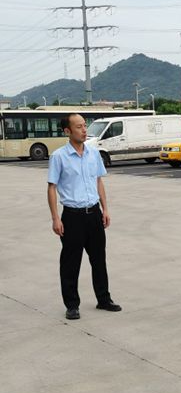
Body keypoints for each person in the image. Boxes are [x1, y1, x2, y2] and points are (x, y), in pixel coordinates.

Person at [47, 113, 121, 320]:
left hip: (94, 214)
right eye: (79, 127)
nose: (84, 130)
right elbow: (51, 188)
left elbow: (98, 181)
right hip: (72, 217)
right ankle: (72, 305)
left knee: (99, 260)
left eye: (84, 126)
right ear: (67, 131)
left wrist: (105, 209)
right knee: (71, 263)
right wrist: (55, 218)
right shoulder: (59, 156)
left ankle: (103, 299)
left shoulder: (93, 154)